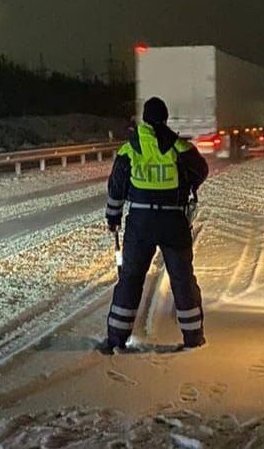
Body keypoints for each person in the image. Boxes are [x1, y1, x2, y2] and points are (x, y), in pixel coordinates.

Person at [103, 96, 209, 352]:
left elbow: (116, 187)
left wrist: (113, 218)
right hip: (173, 221)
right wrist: (186, 185)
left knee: (130, 278)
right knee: (182, 280)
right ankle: (193, 338)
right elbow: (201, 170)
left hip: (140, 222)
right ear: (165, 117)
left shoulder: (130, 148)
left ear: (144, 118)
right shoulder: (178, 146)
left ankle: (117, 338)